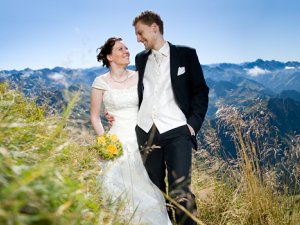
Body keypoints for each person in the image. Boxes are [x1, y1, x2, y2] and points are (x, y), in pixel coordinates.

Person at [132, 11, 209, 225]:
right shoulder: (140, 59)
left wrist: (193, 125)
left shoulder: (186, 54)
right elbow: (138, 92)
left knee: (180, 191)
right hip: (146, 131)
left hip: (177, 131)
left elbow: (201, 91)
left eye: (140, 33)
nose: (138, 39)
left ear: (154, 28)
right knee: (154, 191)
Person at [90, 37, 172, 225]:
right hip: (116, 140)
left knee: (147, 188)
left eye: (127, 48)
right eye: (120, 49)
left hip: (141, 136)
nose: (127, 51)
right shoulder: (100, 82)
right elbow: (94, 116)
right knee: (115, 187)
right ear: (110, 57)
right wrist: (104, 141)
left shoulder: (139, 76)